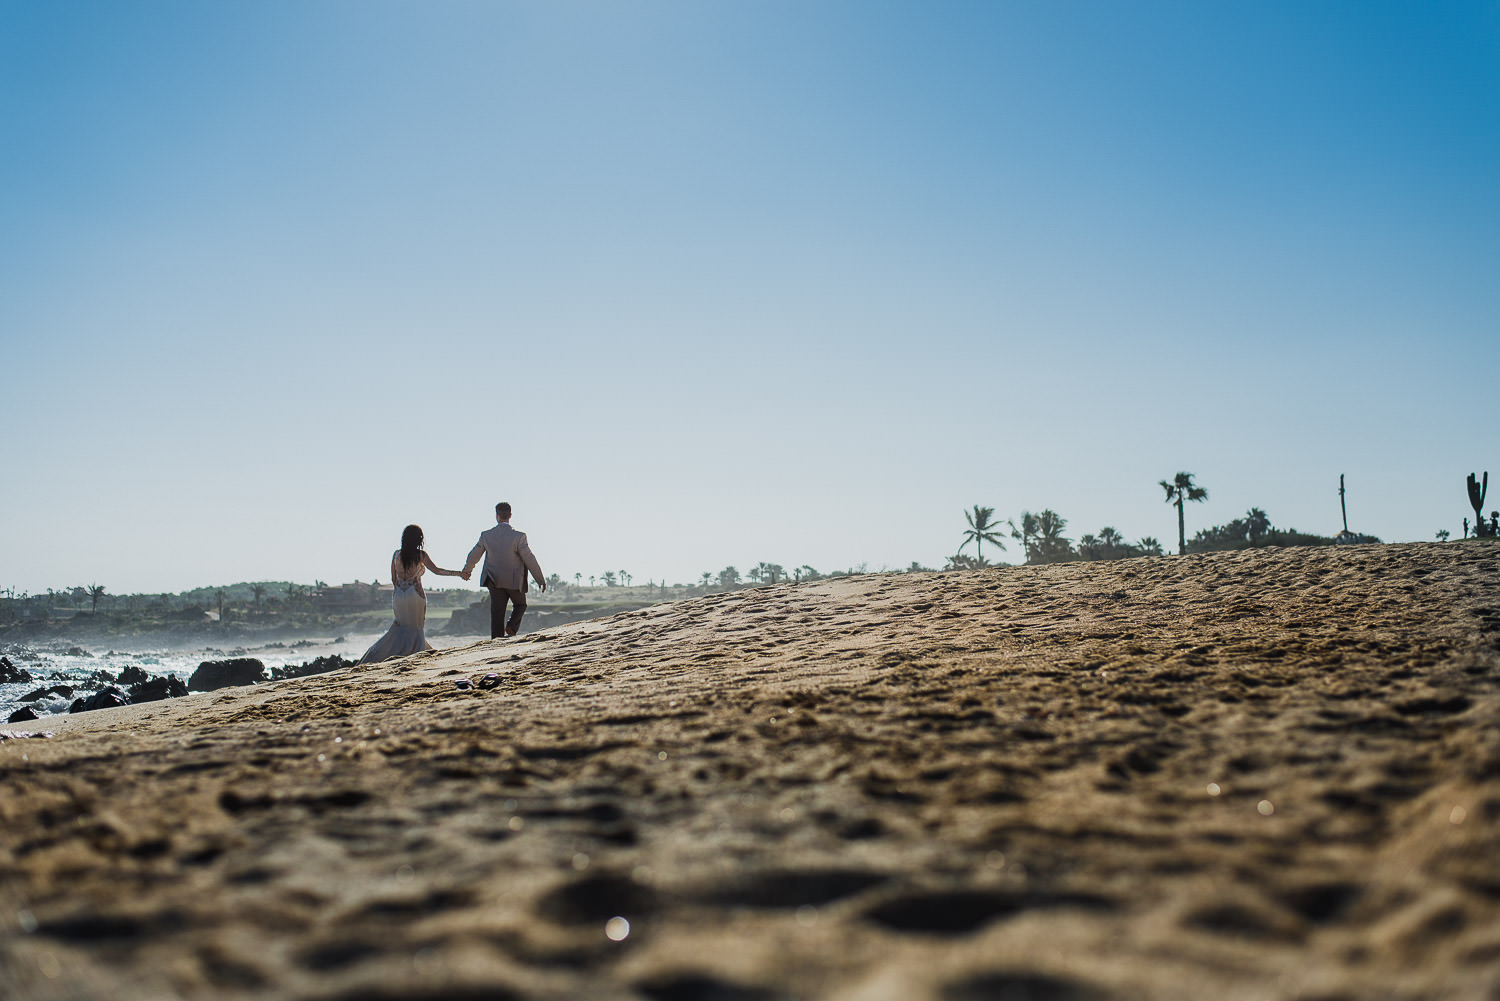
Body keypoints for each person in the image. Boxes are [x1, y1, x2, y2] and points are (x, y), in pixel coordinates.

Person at [359, 524, 465, 664]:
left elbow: (393, 579)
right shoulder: (421, 555)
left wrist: (400, 591)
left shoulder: (396, 554)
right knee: (416, 627)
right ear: (419, 539)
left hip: (399, 596)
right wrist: (459, 574)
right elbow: (437, 571)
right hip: (415, 594)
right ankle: (416, 652)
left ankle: (381, 655)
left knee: (400, 627)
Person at [463, 501, 546, 638]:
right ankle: (511, 627)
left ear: (497, 516)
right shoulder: (519, 536)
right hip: (514, 581)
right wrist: (540, 579)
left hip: (493, 580)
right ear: (510, 515)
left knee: (497, 612)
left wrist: (467, 570)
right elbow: (529, 558)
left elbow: (474, 555)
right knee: (520, 604)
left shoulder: (486, 535)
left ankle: (496, 639)